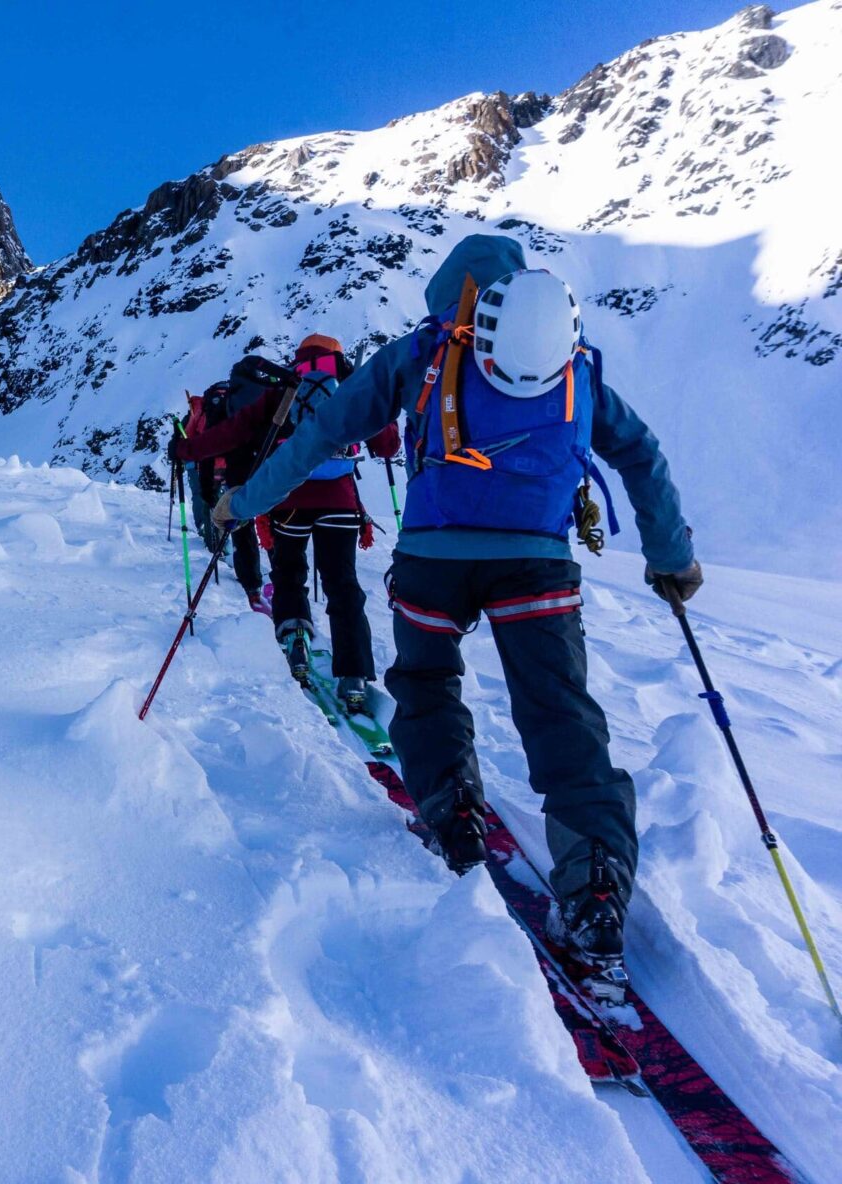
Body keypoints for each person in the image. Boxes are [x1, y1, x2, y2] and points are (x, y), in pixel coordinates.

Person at [212, 234, 702, 967]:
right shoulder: (567, 360)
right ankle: (594, 878)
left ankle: (452, 811)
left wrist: (237, 505)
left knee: (427, 684)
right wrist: (670, 556)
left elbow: (318, 436)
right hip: (537, 565)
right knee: (559, 710)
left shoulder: (423, 350)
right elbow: (641, 452)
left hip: (433, 561)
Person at [181, 335, 399, 710]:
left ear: (298, 360)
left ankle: (295, 641)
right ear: (338, 358)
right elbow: (387, 445)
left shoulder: (284, 388)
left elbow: (234, 432)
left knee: (288, 572)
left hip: (288, 499)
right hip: (340, 502)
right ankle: (354, 674)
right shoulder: (350, 387)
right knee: (342, 582)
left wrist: (184, 448)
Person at [172, 368, 272, 614]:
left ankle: (250, 582)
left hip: (224, 471)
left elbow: (205, 444)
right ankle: (278, 577)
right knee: (271, 524)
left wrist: (205, 485)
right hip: (262, 469)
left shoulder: (207, 410)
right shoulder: (257, 401)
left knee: (236, 522)